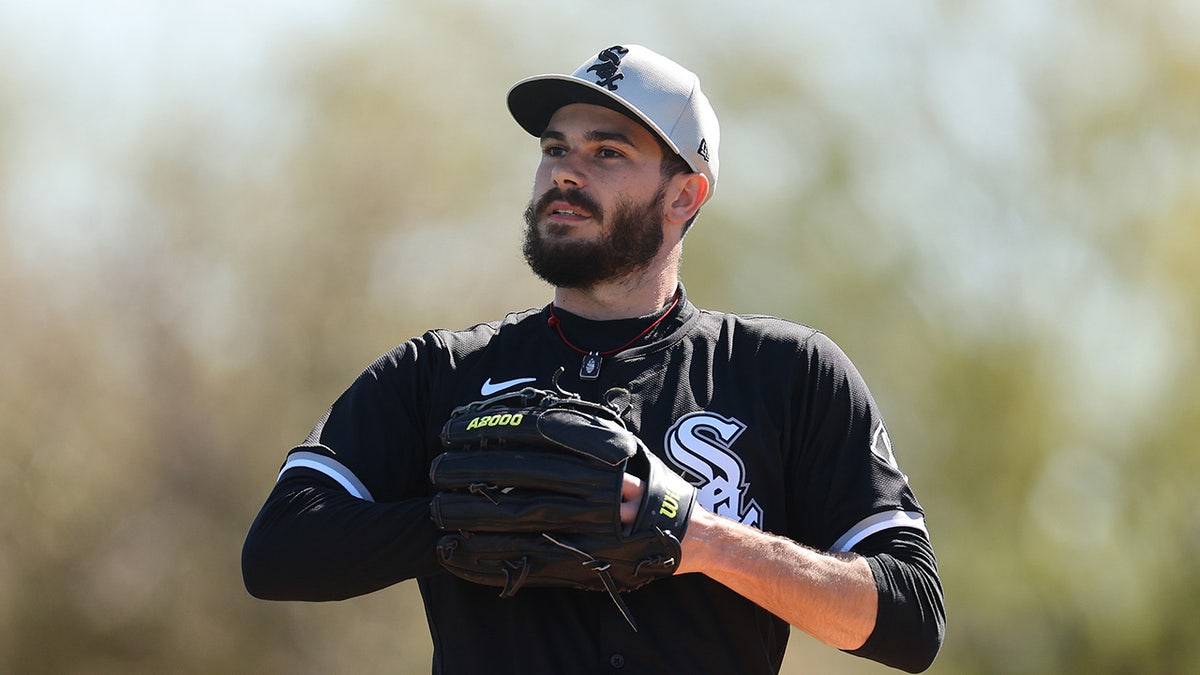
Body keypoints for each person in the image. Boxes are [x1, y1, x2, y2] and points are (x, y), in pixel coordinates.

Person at [242, 44, 945, 674]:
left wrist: (697, 536)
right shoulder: (444, 371)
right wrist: (472, 518)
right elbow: (279, 548)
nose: (566, 173)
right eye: (555, 148)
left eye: (606, 152)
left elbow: (912, 619)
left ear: (684, 194)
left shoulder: (786, 373)